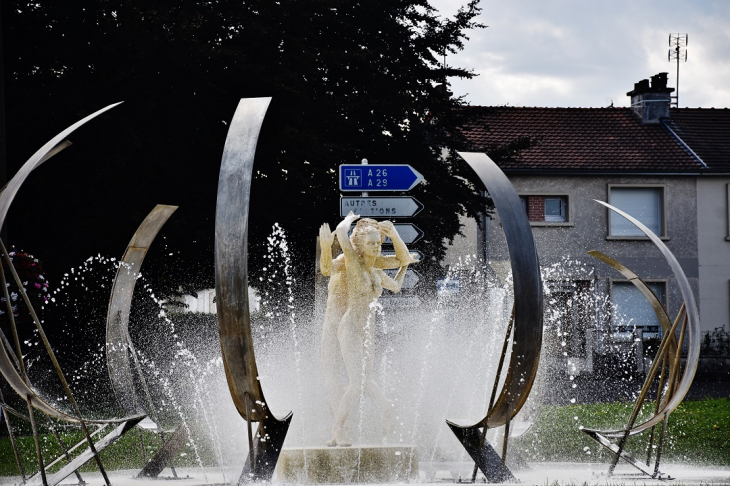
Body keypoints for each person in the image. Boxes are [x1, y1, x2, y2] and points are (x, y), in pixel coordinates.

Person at [318, 212, 415, 446]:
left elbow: (402, 264)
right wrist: (329, 241)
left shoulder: (376, 268)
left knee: (364, 379)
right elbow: (327, 267)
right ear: (360, 245)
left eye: (378, 243)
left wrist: (393, 234)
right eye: (371, 243)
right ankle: (339, 428)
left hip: (365, 328)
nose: (376, 247)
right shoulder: (349, 261)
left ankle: (382, 410)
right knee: (347, 379)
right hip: (344, 324)